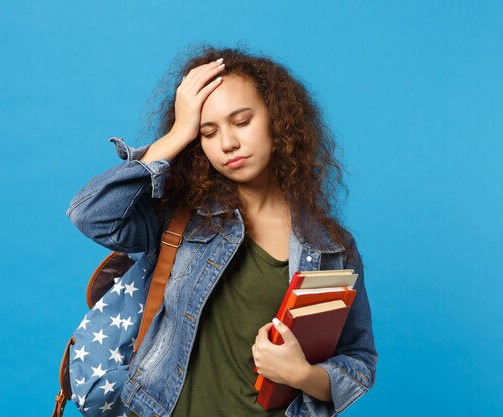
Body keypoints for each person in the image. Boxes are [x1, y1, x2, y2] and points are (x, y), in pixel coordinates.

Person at [67, 45, 378, 417]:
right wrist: (177, 133)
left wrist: (304, 375)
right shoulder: (182, 217)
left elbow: (359, 360)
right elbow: (92, 214)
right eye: (208, 132)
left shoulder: (330, 247)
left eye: (242, 121)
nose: (228, 143)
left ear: (277, 121)